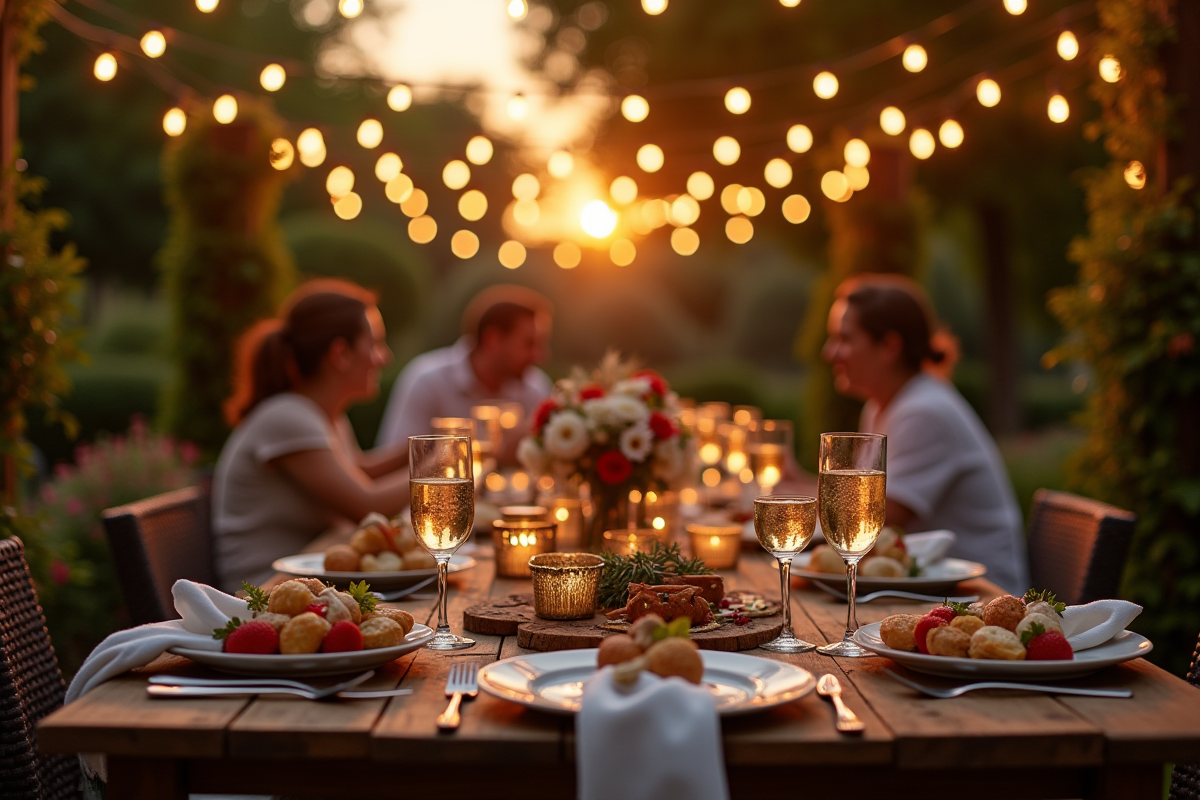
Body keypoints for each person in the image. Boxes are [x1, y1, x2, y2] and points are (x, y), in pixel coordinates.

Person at [820, 274, 1030, 594]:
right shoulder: (883, 406)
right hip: (927, 586)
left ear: (889, 346)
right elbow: (851, 501)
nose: (830, 352)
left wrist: (789, 506)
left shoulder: (923, 413)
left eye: (844, 339)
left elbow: (873, 518)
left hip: (981, 596)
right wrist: (787, 486)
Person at [212, 279, 409, 591]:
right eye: (374, 344)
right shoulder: (288, 417)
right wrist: (446, 467)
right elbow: (366, 504)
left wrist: (425, 447)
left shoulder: (322, 415)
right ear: (340, 353)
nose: (384, 357)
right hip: (264, 598)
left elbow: (358, 470)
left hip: (308, 585)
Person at [375, 285, 553, 462]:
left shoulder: (535, 386)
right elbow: (397, 462)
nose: (539, 355)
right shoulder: (428, 380)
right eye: (529, 344)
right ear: (493, 339)